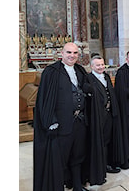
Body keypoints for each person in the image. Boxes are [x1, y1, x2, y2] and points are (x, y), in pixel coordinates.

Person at [33, 42, 90, 191]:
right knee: (60, 159)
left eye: (75, 53)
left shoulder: (80, 70)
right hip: (62, 124)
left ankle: (77, 185)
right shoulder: (51, 72)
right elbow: (45, 99)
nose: (72, 56)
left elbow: (85, 89)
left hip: (80, 122)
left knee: (78, 156)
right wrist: (51, 121)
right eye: (69, 53)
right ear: (62, 53)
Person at [85, 55, 125, 186]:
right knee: (100, 142)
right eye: (98, 65)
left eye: (102, 64)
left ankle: (108, 164)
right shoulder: (89, 79)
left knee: (108, 140)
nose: (101, 67)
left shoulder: (106, 77)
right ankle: (100, 168)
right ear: (92, 67)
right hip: (98, 117)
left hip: (109, 114)